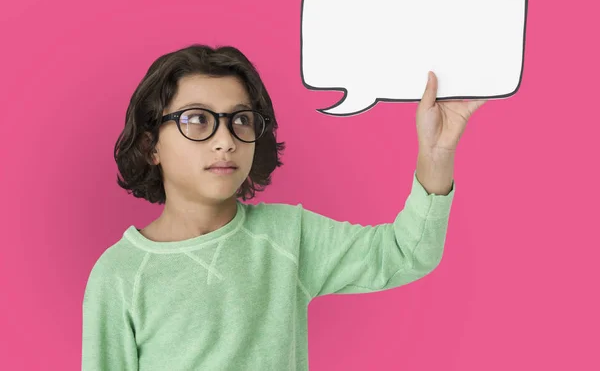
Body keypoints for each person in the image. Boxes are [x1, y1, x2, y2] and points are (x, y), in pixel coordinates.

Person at [81, 44, 486, 370]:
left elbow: (406, 252)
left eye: (240, 120)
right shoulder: (120, 274)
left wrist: (437, 154)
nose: (225, 140)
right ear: (152, 145)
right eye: (197, 120)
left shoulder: (287, 237)